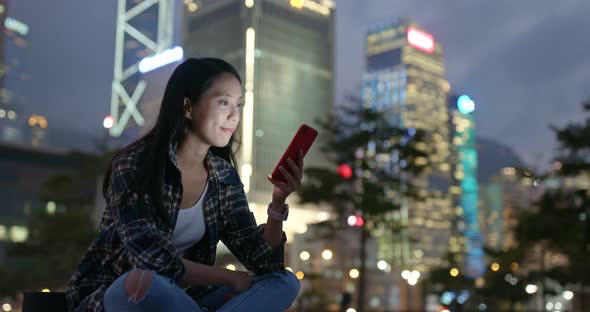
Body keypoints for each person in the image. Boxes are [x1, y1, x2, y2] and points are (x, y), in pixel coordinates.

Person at [66, 58, 302, 311]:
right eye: (223, 102)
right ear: (188, 107)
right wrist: (228, 276)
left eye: (238, 104)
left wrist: (278, 203)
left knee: (284, 282)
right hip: (119, 292)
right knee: (145, 281)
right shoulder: (135, 165)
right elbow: (152, 259)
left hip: (187, 298)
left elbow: (263, 262)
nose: (234, 116)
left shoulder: (224, 177)